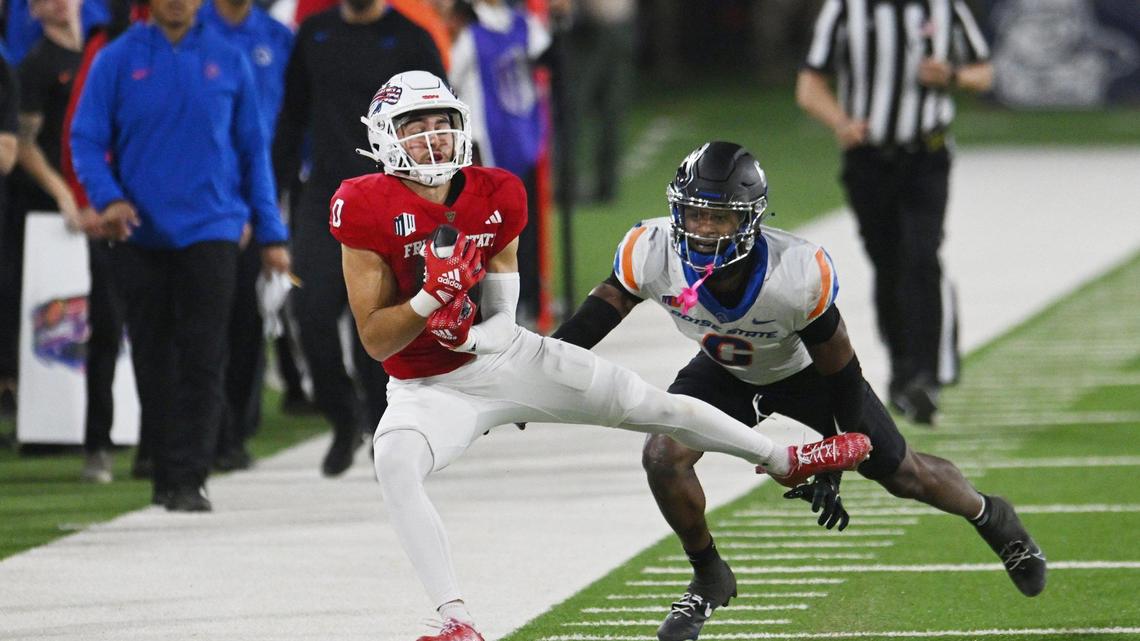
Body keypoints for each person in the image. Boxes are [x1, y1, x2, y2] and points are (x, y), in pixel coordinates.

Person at [333, 71, 871, 641]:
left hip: (505, 357)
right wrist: (428, 298)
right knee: (393, 464)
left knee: (654, 407)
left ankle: (786, 460)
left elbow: (500, 316)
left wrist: (465, 336)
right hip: (427, 389)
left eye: (443, 124)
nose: (434, 138)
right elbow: (376, 341)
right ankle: (457, 621)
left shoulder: (496, 193)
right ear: (385, 138)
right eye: (415, 128)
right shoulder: (362, 204)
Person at [552, 141, 1047, 641]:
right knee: (663, 455)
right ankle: (708, 574)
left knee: (903, 475)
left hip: (810, 375)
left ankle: (990, 514)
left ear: (748, 220)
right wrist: (538, 369)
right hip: (724, 370)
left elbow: (841, 372)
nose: (702, 229)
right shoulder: (651, 249)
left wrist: (831, 456)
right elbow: (599, 313)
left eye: (719, 218)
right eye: (695, 214)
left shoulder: (794, 274)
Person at [71, 0, 291, 511]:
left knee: (203, 353)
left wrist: (270, 232)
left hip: (212, 228)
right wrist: (108, 198)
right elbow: (85, 139)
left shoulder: (228, 58)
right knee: (152, 357)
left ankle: (191, 477)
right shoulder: (116, 58)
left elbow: (253, 150)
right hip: (139, 231)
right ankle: (164, 472)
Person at [796, 0, 993, 425]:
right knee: (888, 264)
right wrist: (840, 123)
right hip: (869, 160)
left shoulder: (944, 7)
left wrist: (953, 76)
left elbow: (984, 73)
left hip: (927, 155)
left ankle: (926, 374)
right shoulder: (846, 10)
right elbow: (809, 85)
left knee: (922, 255)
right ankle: (903, 371)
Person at [272, 0, 445, 477]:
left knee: (382, 317)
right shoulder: (314, 34)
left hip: (395, 195)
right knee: (310, 311)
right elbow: (291, 118)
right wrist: (272, 198)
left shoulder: (412, 37)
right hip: (326, 195)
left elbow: (443, 124)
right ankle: (342, 416)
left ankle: (381, 424)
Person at [200, 0, 294, 471]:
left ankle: (235, 430)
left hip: (264, 193)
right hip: (208, 197)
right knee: (200, 324)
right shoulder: (192, 34)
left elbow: (296, 121)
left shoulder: (278, 38)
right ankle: (197, 434)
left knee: (248, 319)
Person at [448, 0, 550, 325]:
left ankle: (529, 301)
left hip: (522, 136)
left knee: (526, 225)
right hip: (486, 145)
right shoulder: (470, 31)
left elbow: (548, 55)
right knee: (489, 228)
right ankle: (489, 304)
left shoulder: (523, 24)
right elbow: (451, 79)